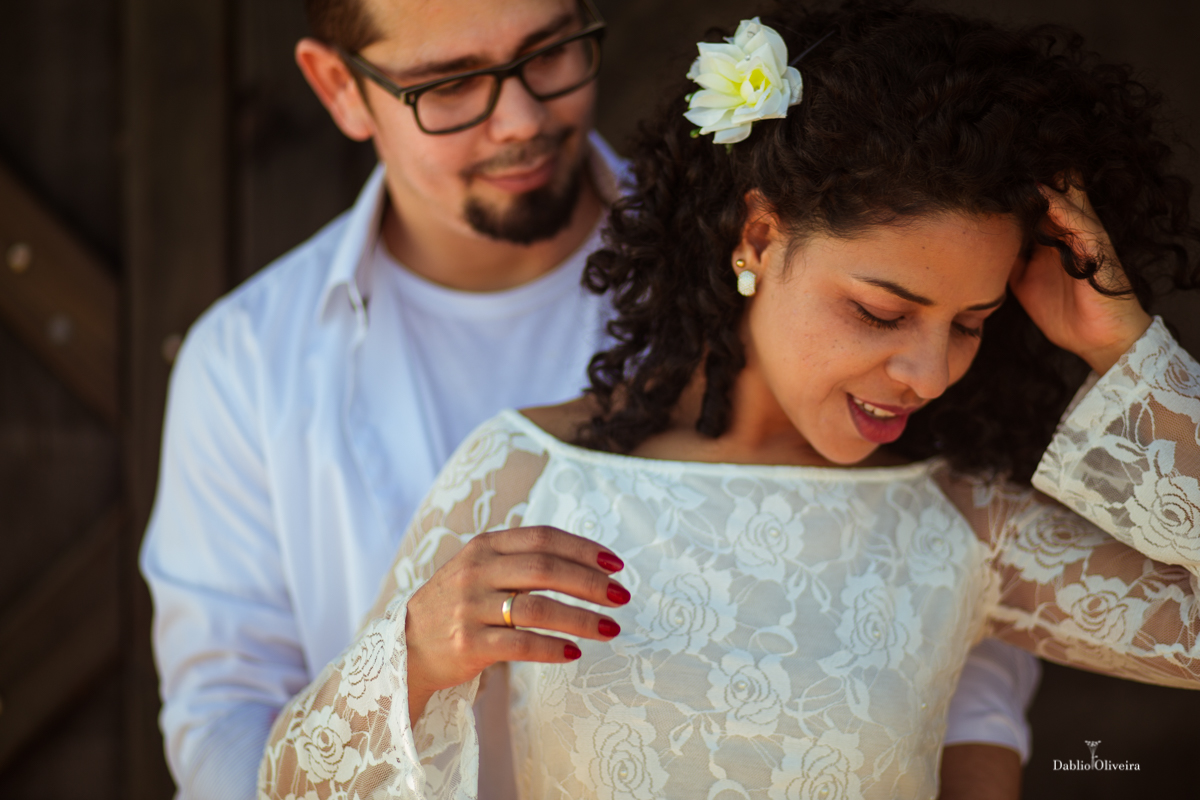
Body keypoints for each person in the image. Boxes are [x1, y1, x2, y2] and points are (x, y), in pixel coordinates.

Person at [257, 2, 1200, 799]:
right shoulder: (526, 475)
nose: (929, 371)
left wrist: (1123, 350)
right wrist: (415, 657)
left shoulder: (961, 522)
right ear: (757, 236)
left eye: (971, 322)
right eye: (881, 312)